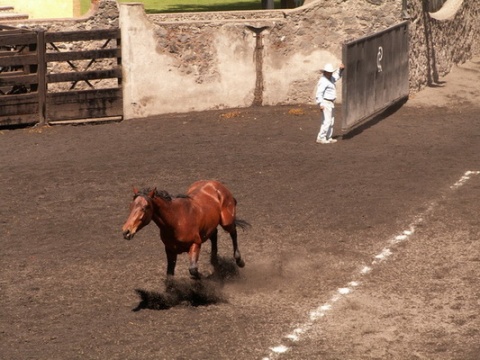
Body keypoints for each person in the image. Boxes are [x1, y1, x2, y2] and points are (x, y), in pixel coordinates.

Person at [315, 62, 345, 144]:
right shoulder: (323, 81)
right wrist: (320, 103)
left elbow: (336, 77)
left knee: (331, 120)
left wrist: (340, 70)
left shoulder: (330, 78)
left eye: (331, 72)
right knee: (327, 121)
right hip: (326, 102)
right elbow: (319, 93)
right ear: (325, 72)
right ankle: (321, 137)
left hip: (330, 102)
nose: (330, 73)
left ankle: (328, 136)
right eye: (329, 72)